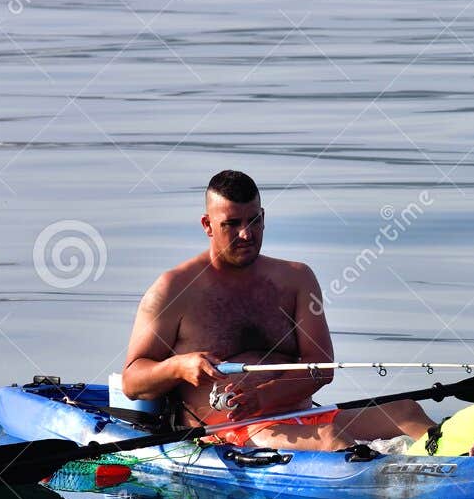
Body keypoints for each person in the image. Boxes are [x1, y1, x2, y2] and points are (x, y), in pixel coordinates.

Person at [121, 170, 434, 449]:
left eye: (254, 221)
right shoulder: (173, 290)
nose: (246, 234)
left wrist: (263, 397)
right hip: (227, 431)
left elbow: (321, 366)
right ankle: (392, 482)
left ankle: (468, 459)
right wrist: (178, 366)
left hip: (302, 413)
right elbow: (132, 382)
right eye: (231, 224)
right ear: (207, 225)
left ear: (264, 216)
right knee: (330, 438)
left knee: (405, 412)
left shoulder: (297, 279)